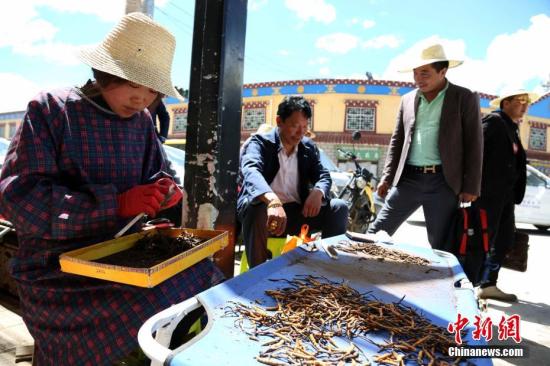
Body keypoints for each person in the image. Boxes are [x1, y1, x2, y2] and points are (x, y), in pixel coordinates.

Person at [0, 13, 223, 364]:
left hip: (122, 254)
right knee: (150, 301)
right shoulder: (51, 110)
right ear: (107, 71)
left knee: (206, 274)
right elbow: (18, 199)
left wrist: (165, 194)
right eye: (135, 83)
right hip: (56, 270)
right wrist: (115, 205)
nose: (141, 99)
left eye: (152, 89)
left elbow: (158, 175)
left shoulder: (143, 123)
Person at [368, 44, 483, 250]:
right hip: (408, 180)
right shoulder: (407, 100)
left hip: (444, 183)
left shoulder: (463, 98)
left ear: (443, 71)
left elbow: (474, 143)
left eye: (424, 73)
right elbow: (397, 141)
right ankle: (357, 275)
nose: (418, 79)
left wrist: (471, 186)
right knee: (376, 231)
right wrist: (387, 177)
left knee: (441, 246)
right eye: (415, 73)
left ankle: (444, 282)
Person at [238, 96, 348, 267]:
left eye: (305, 127)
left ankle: (329, 269)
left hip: (296, 213)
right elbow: (251, 170)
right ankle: (257, 275)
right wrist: (272, 201)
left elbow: (323, 175)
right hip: (266, 214)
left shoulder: (308, 147)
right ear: (279, 121)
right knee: (257, 209)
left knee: (338, 207)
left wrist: (318, 192)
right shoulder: (260, 143)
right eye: (295, 126)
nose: (300, 132)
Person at [476, 89, 538, 302]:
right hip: (487, 195)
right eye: (521, 101)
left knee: (503, 241)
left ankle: (488, 284)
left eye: (527, 102)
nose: (525, 105)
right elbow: (476, 154)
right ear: (506, 103)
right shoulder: (493, 122)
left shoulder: (512, 127)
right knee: (481, 240)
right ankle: (466, 285)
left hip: (505, 198)